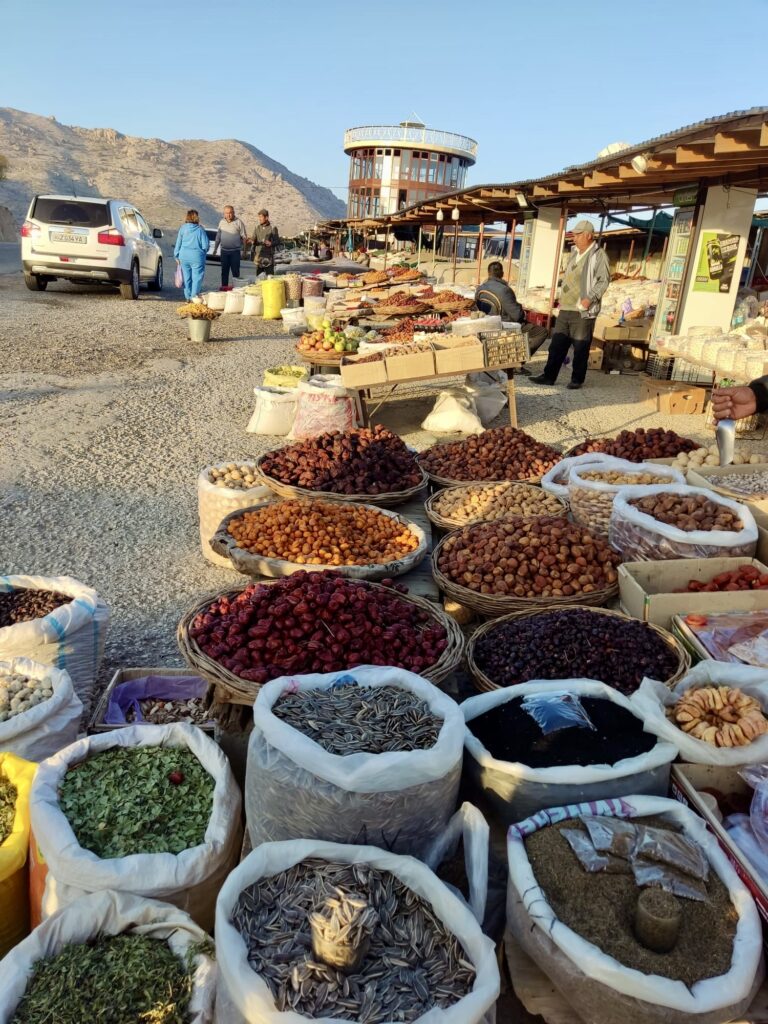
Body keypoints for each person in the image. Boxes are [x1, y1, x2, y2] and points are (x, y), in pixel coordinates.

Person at [531, 220, 611, 390]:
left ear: (588, 235)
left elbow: (603, 281)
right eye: (574, 234)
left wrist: (589, 298)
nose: (574, 238)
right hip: (566, 308)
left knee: (580, 346)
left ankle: (577, 379)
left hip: (583, 310)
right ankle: (549, 376)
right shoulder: (575, 253)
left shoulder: (598, 255)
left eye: (577, 235)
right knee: (557, 345)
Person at [173, 210, 209, 302]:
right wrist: (203, 252)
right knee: (197, 278)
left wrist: (176, 255)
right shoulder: (200, 230)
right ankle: (194, 296)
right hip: (197, 257)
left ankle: (188, 297)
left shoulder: (183, 228)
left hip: (184, 256)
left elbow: (178, 243)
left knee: (187, 278)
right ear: (197, 218)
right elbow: (205, 246)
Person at [212, 205, 247, 290]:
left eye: (230, 213)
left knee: (235, 272)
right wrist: (215, 249)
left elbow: (244, 237)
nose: (229, 215)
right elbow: (218, 237)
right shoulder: (221, 222)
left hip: (235, 252)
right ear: (224, 214)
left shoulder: (239, 222)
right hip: (224, 252)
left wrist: (244, 251)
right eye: (227, 213)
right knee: (224, 272)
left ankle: (236, 291)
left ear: (234, 213)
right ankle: (224, 290)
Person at [250, 209, 279, 275]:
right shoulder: (257, 228)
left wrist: (271, 243)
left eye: (261, 217)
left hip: (268, 257)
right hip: (259, 257)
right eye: (259, 217)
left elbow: (277, 241)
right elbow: (254, 239)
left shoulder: (273, 228)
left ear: (266, 217)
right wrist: (252, 240)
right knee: (259, 278)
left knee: (270, 278)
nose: (259, 219)